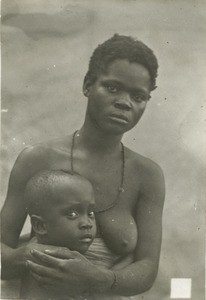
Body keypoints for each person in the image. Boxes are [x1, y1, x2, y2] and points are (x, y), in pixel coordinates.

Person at [1, 34, 165, 298]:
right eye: (112, 88)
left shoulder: (147, 175)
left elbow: (147, 268)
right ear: (88, 85)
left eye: (138, 96)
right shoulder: (37, 159)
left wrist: (100, 279)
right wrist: (32, 256)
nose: (124, 102)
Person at [20, 170, 96, 299]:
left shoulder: (72, 258)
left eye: (91, 213)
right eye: (72, 214)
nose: (87, 223)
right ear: (40, 225)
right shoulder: (44, 267)